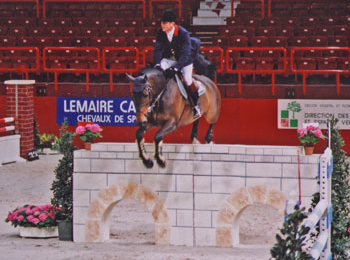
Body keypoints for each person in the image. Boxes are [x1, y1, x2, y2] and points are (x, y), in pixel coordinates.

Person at [153, 9, 201, 119]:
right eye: (161, 22)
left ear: (172, 24)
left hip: (185, 60)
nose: (162, 25)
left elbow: (185, 53)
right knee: (160, 72)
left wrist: (176, 68)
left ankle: (195, 105)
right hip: (170, 58)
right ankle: (157, 101)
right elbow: (158, 49)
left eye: (164, 23)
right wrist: (157, 65)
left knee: (187, 80)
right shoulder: (161, 32)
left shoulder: (183, 33)